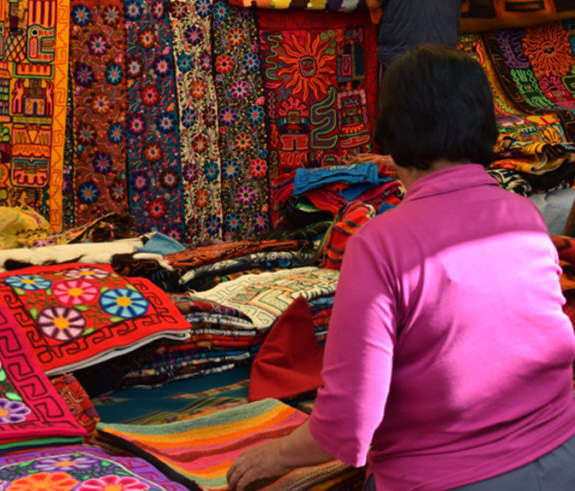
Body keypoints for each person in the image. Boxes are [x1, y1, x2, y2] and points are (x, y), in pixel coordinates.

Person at [226, 46, 575, 491]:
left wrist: (273, 456)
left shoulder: (380, 244)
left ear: (393, 132)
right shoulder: (523, 215)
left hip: (448, 479)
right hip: (564, 456)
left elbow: (348, 423)